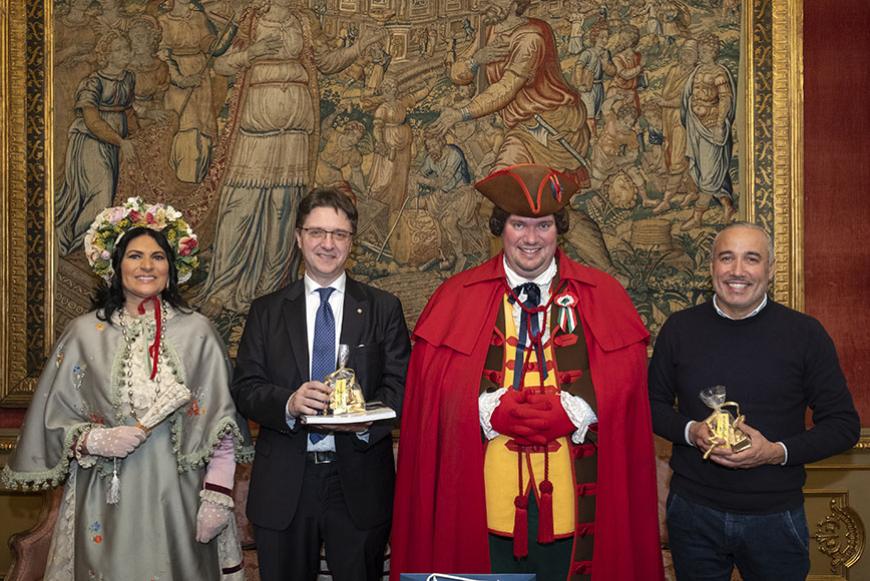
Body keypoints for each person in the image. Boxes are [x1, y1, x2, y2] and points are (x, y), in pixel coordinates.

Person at [391, 164, 664, 581]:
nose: (531, 238)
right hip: (484, 505)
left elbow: (626, 383)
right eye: (520, 224)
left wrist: (580, 412)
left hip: (576, 508)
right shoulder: (455, 296)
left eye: (544, 225)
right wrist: (483, 410)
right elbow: (434, 391)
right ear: (500, 228)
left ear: (560, 230)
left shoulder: (602, 294)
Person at [2, 197, 253, 579]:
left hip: (180, 500)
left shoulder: (198, 332)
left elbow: (221, 423)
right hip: (104, 498)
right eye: (135, 256)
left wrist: (218, 497)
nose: (147, 266)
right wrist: (93, 441)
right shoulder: (84, 334)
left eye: (158, 256)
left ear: (172, 266)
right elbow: (51, 421)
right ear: (116, 265)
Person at [649, 222, 860, 581]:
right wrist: (692, 431)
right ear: (712, 266)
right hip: (693, 512)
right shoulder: (679, 329)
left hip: (774, 516)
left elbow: (843, 426)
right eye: (726, 258)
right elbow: (650, 406)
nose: (737, 271)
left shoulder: (805, 335)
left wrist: (774, 451)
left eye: (751, 259)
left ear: (771, 269)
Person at [231, 187, 411, 581]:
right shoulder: (266, 311)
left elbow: (401, 388)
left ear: (352, 241)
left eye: (339, 234)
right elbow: (245, 389)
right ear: (299, 237)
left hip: (359, 484)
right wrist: (289, 403)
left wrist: (365, 420)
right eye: (317, 233)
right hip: (285, 486)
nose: (327, 244)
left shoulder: (383, 308)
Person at [195, 0, 384, 315]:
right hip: (255, 127)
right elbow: (221, 65)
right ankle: (223, 288)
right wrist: (251, 54)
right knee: (240, 207)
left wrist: (359, 46)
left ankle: (272, 292)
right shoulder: (250, 18)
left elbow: (326, 62)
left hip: (295, 132)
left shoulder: (304, 20)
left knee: (283, 210)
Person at [431, 0, 619, 277]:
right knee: (501, 201)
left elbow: (508, 88)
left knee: (554, 207)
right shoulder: (491, 29)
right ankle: (504, 281)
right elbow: (457, 75)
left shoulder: (531, 37)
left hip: (552, 126)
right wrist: (476, 58)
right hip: (523, 128)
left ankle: (608, 273)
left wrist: (461, 113)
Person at [55, 32, 136, 255]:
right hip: (90, 142)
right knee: (101, 193)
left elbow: (128, 111)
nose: (125, 53)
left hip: (113, 144)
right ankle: (83, 246)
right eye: (119, 50)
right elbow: (92, 121)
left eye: (127, 49)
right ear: (107, 54)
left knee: (108, 195)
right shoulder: (93, 82)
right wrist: (121, 141)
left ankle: (90, 244)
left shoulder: (128, 77)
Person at [680, 32, 736, 230]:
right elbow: (689, 95)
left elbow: (726, 100)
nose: (701, 54)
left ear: (713, 52)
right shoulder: (697, 71)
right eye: (700, 51)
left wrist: (720, 124)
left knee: (710, 174)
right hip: (696, 124)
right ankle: (728, 206)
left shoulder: (719, 73)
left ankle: (698, 216)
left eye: (704, 51)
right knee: (705, 171)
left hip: (711, 127)